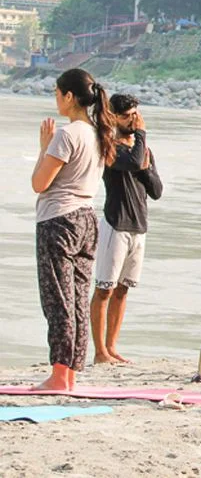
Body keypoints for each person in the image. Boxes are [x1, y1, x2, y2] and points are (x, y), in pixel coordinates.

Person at [30, 68, 117, 390]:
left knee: (57, 299)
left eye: (57, 93)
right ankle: (70, 373)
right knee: (78, 298)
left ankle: (58, 373)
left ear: (69, 96)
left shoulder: (66, 135)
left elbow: (40, 183)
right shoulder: (98, 132)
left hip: (58, 219)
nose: (56, 99)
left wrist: (44, 147)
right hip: (87, 219)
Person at [90, 94, 163, 365]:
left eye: (135, 114)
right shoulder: (108, 147)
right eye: (127, 116)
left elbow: (156, 191)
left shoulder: (143, 151)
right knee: (104, 289)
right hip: (115, 224)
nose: (133, 120)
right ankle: (100, 351)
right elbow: (131, 162)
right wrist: (141, 138)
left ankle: (112, 346)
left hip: (139, 226)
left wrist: (145, 167)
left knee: (123, 289)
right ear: (114, 118)